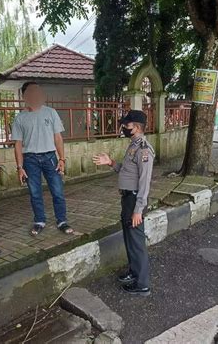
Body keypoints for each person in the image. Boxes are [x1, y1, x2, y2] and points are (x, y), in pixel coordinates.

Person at [93, 110, 154, 296]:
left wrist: (138, 210)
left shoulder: (144, 149)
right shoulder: (133, 146)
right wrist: (110, 162)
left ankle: (142, 284)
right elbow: (126, 171)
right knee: (129, 238)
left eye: (126, 125)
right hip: (127, 199)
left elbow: (144, 182)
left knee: (136, 242)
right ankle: (133, 272)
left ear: (136, 127)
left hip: (135, 200)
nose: (123, 128)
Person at [12, 81, 74, 236]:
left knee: (57, 191)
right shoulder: (20, 118)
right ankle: (39, 221)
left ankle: (62, 221)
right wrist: (20, 167)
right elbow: (18, 145)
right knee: (35, 193)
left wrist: (62, 159)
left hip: (50, 157)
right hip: (30, 159)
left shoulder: (51, 112)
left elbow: (58, 138)